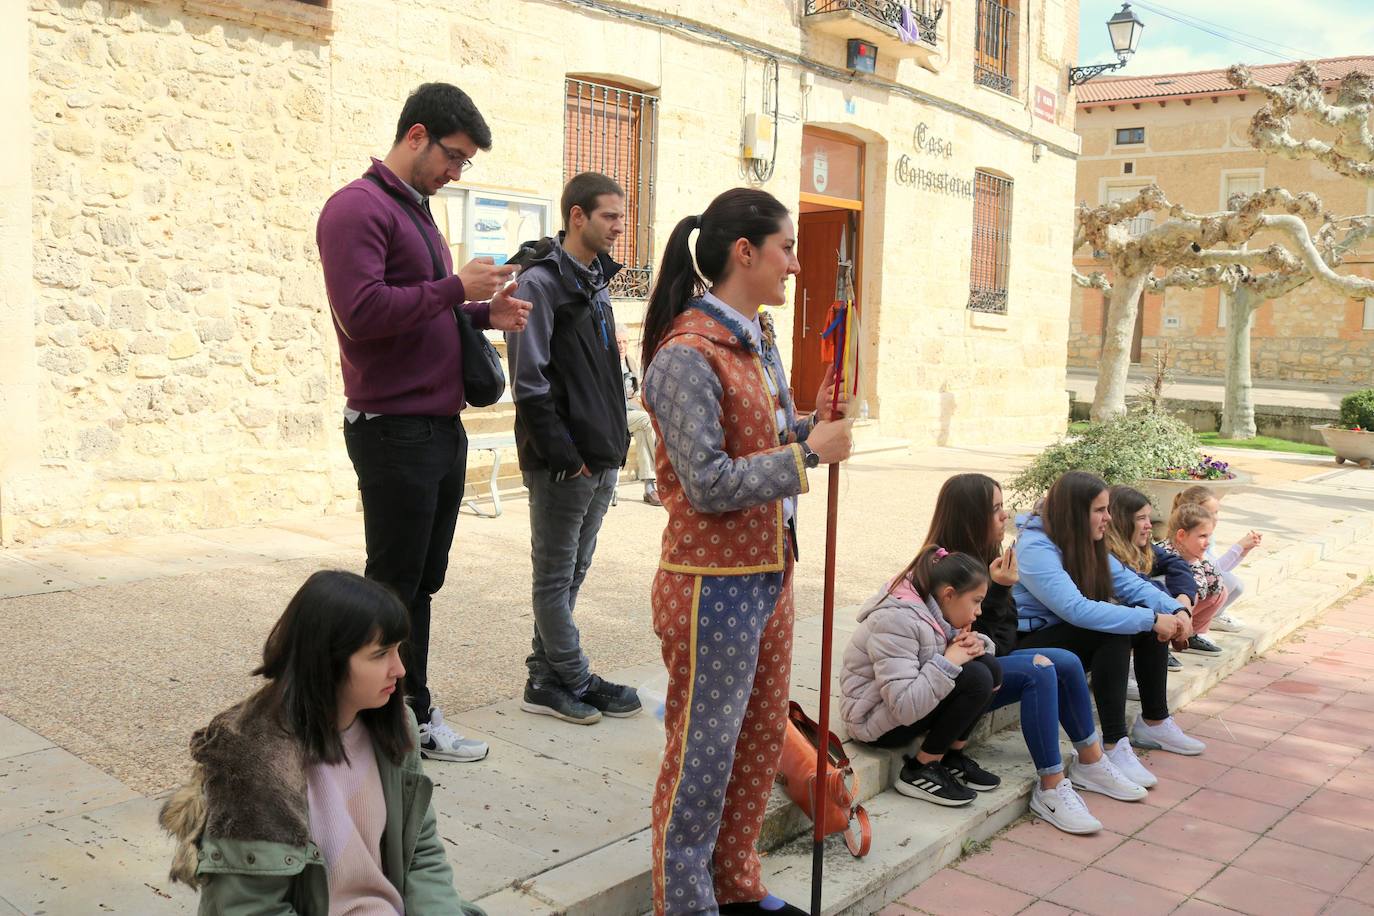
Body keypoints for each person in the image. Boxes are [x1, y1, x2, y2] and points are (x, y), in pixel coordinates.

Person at [640, 188, 853, 916]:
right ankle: (688, 901)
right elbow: (706, 481)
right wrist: (808, 456)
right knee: (703, 754)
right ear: (745, 253)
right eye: (787, 248)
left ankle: (735, 881)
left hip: (769, 572)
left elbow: (759, 442)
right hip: (710, 585)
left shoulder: (755, 338)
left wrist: (806, 423)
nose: (796, 265)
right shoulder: (685, 353)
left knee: (760, 740)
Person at [317, 82, 532, 763]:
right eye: (455, 157)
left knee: (419, 585)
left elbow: (423, 308)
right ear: (416, 136)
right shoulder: (355, 209)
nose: (457, 173)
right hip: (394, 428)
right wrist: (453, 289)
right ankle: (370, 727)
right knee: (391, 587)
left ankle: (408, 711)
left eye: (465, 163)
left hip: (436, 427)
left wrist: (478, 313)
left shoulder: (416, 212)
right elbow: (363, 312)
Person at [159, 570, 485, 915]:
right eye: (381, 654)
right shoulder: (253, 756)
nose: (400, 669)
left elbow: (421, 852)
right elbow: (248, 907)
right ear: (325, 660)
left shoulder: (396, 724)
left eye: (399, 650)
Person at [917, 474, 1147, 833]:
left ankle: (1091, 760)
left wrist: (1000, 591)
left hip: (979, 669)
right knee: (1039, 670)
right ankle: (1051, 788)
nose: (1004, 516)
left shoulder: (990, 558)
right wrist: (995, 593)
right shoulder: (942, 568)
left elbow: (1001, 642)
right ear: (971, 515)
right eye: (995, 509)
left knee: (1066, 661)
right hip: (945, 684)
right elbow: (967, 646)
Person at [504, 172, 640, 725]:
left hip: (601, 457)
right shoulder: (539, 285)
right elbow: (529, 382)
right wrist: (567, 456)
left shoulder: (596, 283)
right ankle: (577, 677)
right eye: (609, 216)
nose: (619, 227)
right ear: (577, 216)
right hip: (565, 464)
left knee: (574, 573)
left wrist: (612, 446)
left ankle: (544, 677)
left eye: (621, 217)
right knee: (555, 579)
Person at [1014, 471, 1206, 791]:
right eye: (1100, 510)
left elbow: (1130, 585)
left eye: (1108, 509)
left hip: (1067, 631)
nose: (1109, 518)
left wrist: (1176, 610)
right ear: (1075, 513)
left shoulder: (1087, 539)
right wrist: (1150, 619)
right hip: (1028, 639)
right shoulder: (1036, 546)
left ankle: (1154, 722)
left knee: (1143, 619)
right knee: (1119, 628)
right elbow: (1074, 608)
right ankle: (1115, 744)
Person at [841, 547, 1002, 808]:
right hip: (873, 720)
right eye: (976, 601)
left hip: (905, 706)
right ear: (949, 594)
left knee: (990, 667)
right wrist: (950, 660)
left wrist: (972, 645)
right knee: (977, 677)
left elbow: (930, 656)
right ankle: (919, 770)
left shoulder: (934, 608)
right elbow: (904, 707)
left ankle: (952, 756)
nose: (979, 611)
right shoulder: (897, 620)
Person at [1105, 485, 1198, 673]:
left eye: (1149, 516)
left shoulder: (1140, 546)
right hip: (1103, 634)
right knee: (1151, 612)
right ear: (1121, 522)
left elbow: (1176, 563)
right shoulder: (1106, 553)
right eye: (1141, 518)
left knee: (1167, 591)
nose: (1149, 525)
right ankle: (1118, 667)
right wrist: (1176, 612)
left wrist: (1183, 603)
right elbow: (1138, 586)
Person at [1171, 485, 1261, 632]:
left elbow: (1218, 567)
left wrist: (1243, 551)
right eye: (1209, 513)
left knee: (1236, 585)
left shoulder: (1207, 534)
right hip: (1187, 587)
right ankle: (1194, 626)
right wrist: (1238, 547)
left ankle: (1214, 615)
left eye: (1216, 512)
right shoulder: (1188, 535)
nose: (1215, 517)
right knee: (1227, 583)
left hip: (1202, 580)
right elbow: (1213, 570)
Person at [1160, 502, 1228, 655]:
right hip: (1164, 608)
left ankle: (1191, 635)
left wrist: (1201, 559)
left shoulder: (1191, 553)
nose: (1208, 542)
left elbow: (1215, 585)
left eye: (1209, 536)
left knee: (1220, 592)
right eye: (1202, 536)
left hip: (1181, 611)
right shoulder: (1167, 553)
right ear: (1181, 535)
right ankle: (1162, 646)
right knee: (1190, 593)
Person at [616, 322, 662, 506]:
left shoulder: (630, 361)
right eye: (618, 342)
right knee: (646, 421)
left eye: (625, 342)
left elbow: (638, 392)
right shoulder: (607, 363)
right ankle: (663, 470)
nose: (621, 346)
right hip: (616, 415)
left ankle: (649, 487)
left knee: (646, 429)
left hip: (632, 413)